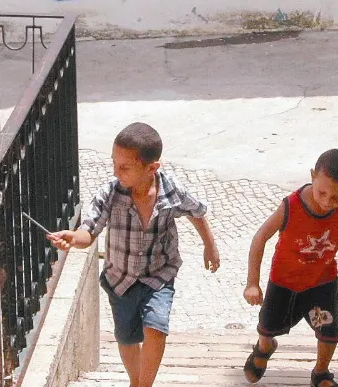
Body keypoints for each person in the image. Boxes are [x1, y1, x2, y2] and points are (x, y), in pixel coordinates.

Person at [47, 123, 220, 387]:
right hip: (120, 278)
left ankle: (144, 385)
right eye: (114, 163)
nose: (116, 172)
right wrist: (74, 238)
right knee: (127, 338)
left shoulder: (172, 192)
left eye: (124, 167)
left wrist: (210, 245)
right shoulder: (110, 193)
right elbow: (89, 230)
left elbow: (196, 212)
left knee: (156, 328)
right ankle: (135, 380)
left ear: (152, 168)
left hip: (159, 275)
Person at [242, 149, 338, 387]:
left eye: (337, 197)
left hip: (322, 280)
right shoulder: (291, 206)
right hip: (284, 280)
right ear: (312, 176)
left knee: (329, 331)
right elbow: (260, 238)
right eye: (322, 192)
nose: (327, 202)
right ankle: (264, 347)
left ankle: (321, 372)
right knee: (268, 326)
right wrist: (252, 283)